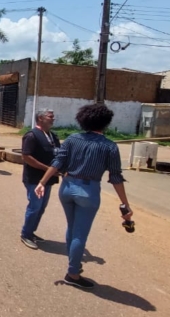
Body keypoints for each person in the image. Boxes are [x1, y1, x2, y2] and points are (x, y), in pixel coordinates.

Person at [35, 104, 134, 290]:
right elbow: (115, 177)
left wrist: (42, 182)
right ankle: (73, 273)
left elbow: (57, 162)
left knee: (72, 228)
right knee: (80, 234)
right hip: (88, 191)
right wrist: (125, 204)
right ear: (106, 123)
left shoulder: (72, 139)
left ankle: (74, 263)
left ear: (83, 120)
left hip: (67, 188)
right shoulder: (109, 147)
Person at [19, 109, 61, 250]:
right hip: (34, 179)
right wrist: (47, 169)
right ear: (41, 118)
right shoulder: (32, 136)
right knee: (35, 206)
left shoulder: (53, 136)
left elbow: (60, 155)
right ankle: (26, 234)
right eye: (50, 116)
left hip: (48, 179)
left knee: (41, 207)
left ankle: (31, 231)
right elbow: (26, 157)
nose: (53, 119)